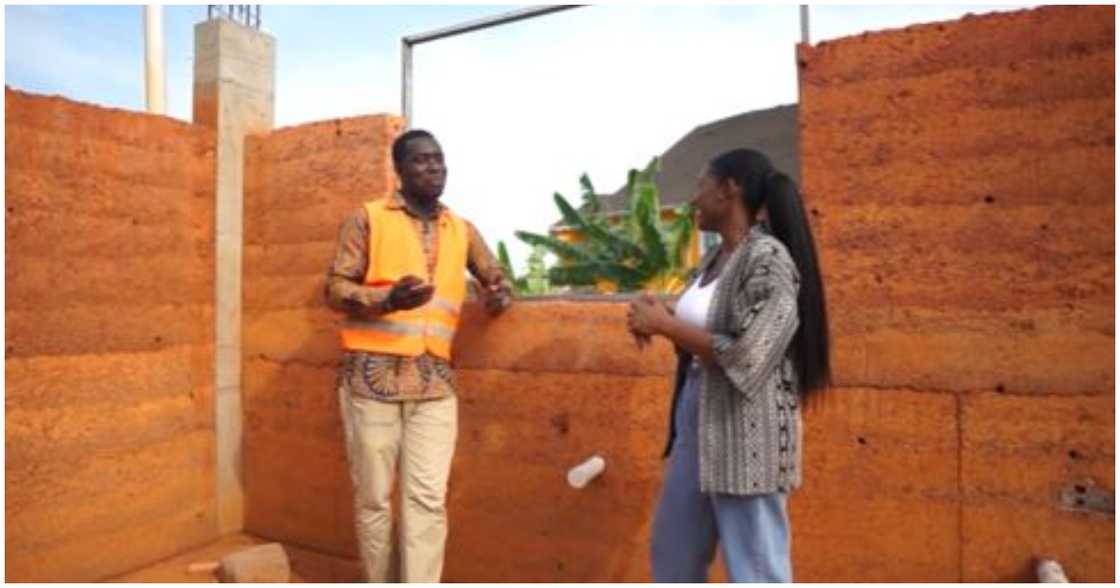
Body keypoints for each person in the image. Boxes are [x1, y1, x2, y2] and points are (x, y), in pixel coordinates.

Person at [627, 148, 830, 583]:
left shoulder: (769, 259)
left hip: (747, 429)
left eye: (701, 186)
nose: (693, 199)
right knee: (673, 555)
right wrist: (657, 315)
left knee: (755, 567)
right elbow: (702, 331)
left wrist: (666, 326)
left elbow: (751, 353)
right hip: (696, 419)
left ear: (729, 189)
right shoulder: (711, 261)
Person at [325, 129, 512, 582]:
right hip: (371, 380)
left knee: (427, 500)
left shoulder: (461, 229)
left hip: (434, 383)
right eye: (422, 161)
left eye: (440, 160)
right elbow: (335, 289)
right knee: (374, 500)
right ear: (399, 170)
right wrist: (388, 299)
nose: (434, 168)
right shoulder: (367, 218)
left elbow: (496, 277)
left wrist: (499, 293)